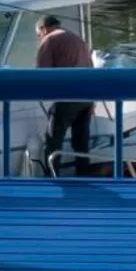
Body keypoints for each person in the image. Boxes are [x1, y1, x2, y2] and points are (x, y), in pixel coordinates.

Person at [34, 14, 93, 175]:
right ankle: (83, 177)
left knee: (53, 140)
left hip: (68, 96)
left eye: (38, 35)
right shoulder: (78, 40)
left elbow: (41, 74)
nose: (39, 38)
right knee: (81, 142)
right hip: (87, 97)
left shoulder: (50, 39)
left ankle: (52, 179)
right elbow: (91, 68)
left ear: (43, 29)